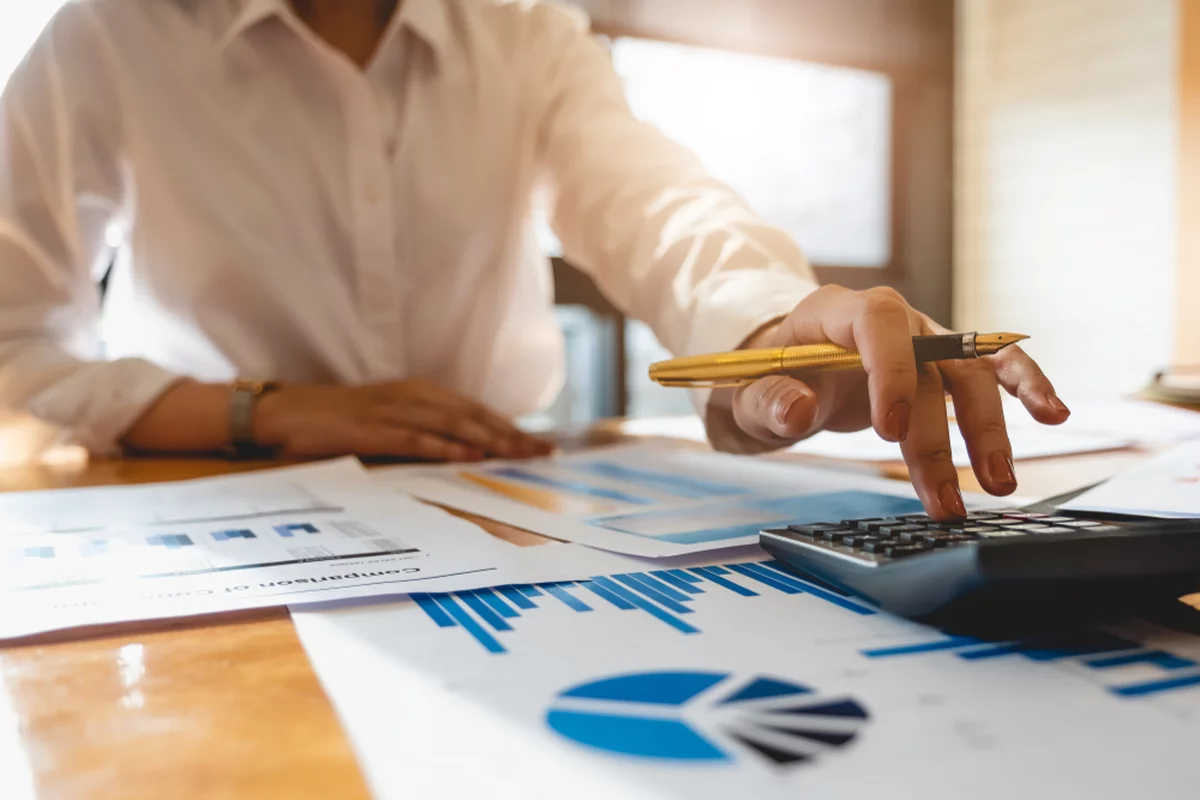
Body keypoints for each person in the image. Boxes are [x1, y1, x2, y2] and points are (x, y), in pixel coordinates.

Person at [0, 0, 1069, 519]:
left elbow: (650, 203)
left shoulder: (523, 31)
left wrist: (772, 330)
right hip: (212, 501)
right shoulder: (110, 36)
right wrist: (264, 408)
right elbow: (14, 348)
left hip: (508, 501)